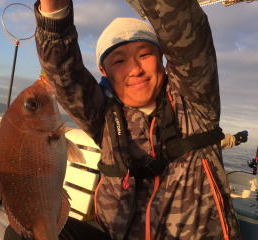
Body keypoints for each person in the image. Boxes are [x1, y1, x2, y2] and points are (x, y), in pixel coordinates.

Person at [34, 0, 241, 239]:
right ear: (104, 71)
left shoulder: (195, 102)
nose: (135, 69)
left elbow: (184, 27)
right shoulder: (104, 117)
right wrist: (54, 13)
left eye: (144, 54)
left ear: (163, 57)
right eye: (119, 61)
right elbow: (63, 73)